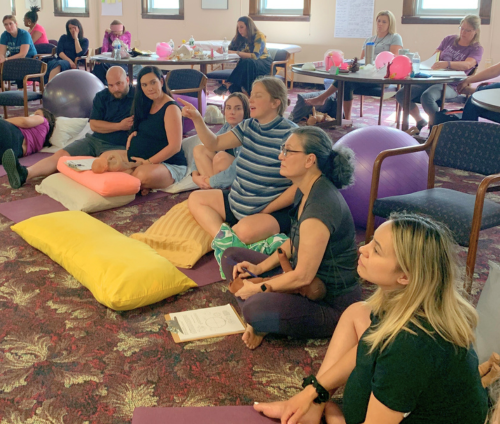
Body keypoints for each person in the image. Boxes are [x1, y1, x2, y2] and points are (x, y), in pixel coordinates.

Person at [255, 213, 488, 424]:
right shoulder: (408, 301)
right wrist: (313, 394)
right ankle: (313, 409)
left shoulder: (408, 346)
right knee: (357, 312)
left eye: (377, 250)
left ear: (405, 276)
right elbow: (367, 341)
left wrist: (336, 417)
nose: (362, 249)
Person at [221, 126, 360, 350]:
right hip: (297, 280)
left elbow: (304, 277)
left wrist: (258, 288)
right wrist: (259, 267)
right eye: (282, 150)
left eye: (287, 151)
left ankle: (260, 320)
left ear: (309, 160)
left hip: (327, 301)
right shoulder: (304, 189)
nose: (280, 156)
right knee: (231, 257)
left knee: (253, 308)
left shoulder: (321, 206)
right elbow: (295, 241)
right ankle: (263, 316)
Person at [182, 76, 298, 245]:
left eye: (258, 95)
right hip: (237, 202)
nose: (250, 99)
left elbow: (300, 184)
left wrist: (267, 209)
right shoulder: (248, 125)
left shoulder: (292, 135)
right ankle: (224, 241)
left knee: (243, 232)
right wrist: (198, 119)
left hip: (269, 211)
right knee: (195, 199)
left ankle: (233, 238)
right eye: (251, 94)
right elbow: (214, 143)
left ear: (275, 103)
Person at [3, 66, 135, 189]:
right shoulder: (102, 96)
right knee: (60, 155)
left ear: (127, 79)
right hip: (93, 140)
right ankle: (24, 173)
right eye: (111, 85)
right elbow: (94, 125)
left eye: (119, 84)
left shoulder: (137, 97)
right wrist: (119, 126)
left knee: (104, 163)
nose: (115, 89)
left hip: (117, 145)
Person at [91, 66, 186, 194]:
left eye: (153, 82)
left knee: (140, 175)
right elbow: (140, 127)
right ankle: (138, 182)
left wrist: (148, 162)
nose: (149, 88)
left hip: (168, 164)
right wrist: (132, 136)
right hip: (141, 157)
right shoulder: (146, 103)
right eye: (144, 85)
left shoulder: (171, 108)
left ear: (161, 82)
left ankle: (135, 180)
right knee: (106, 156)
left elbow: (175, 147)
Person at [305, 11, 402, 124]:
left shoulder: (394, 37)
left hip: (382, 77)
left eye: (384, 22)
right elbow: (362, 60)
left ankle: (322, 98)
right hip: (366, 74)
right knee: (346, 82)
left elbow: (393, 59)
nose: (380, 24)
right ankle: (347, 119)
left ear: (390, 24)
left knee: (346, 81)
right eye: (379, 21)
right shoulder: (369, 40)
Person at [395, 14, 483, 131]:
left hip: (453, 84)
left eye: (467, 30)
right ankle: (420, 120)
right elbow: (435, 57)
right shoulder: (449, 39)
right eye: (462, 28)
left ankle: (437, 128)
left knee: (428, 97)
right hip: (433, 78)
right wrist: (431, 64)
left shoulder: (476, 48)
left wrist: (448, 64)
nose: (463, 32)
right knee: (401, 94)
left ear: (476, 31)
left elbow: (468, 64)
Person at [191, 92, 250, 189]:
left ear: (246, 111)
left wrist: (208, 181)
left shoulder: (248, 130)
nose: (232, 112)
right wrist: (194, 175)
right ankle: (214, 192)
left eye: (238, 108)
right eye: (228, 107)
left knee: (220, 158)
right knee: (199, 149)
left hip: (241, 176)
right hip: (221, 174)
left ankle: (212, 190)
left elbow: (238, 167)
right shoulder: (227, 126)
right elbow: (210, 144)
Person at [213, 16, 273, 96]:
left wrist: (236, 52)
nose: (239, 30)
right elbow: (230, 49)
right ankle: (243, 96)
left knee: (248, 62)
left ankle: (228, 84)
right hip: (248, 65)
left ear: (249, 27)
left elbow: (255, 56)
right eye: (238, 27)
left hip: (264, 64)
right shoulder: (239, 37)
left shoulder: (259, 36)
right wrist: (223, 50)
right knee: (246, 65)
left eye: (242, 27)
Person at [0, 109, 56, 175]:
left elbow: (24, 122)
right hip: (14, 152)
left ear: (47, 118)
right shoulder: (41, 143)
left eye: (37, 114)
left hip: (11, 135)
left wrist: (3, 120)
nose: (32, 116)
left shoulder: (43, 120)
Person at [0, 14, 37, 89]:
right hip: (14, 60)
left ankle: (21, 89)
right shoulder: (4, 35)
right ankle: (2, 88)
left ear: (16, 24)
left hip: (29, 60)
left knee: (18, 65)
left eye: (10, 23)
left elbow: (22, 54)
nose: (8, 26)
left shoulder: (24, 34)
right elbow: (2, 53)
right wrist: (1, 58)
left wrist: (6, 59)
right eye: (6, 24)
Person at [91, 20, 132, 85]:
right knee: (99, 65)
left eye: (118, 32)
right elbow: (105, 47)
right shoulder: (109, 35)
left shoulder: (127, 35)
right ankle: (100, 85)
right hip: (110, 60)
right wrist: (101, 58)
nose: (116, 34)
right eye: (114, 32)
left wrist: (114, 36)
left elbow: (123, 44)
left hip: (122, 61)